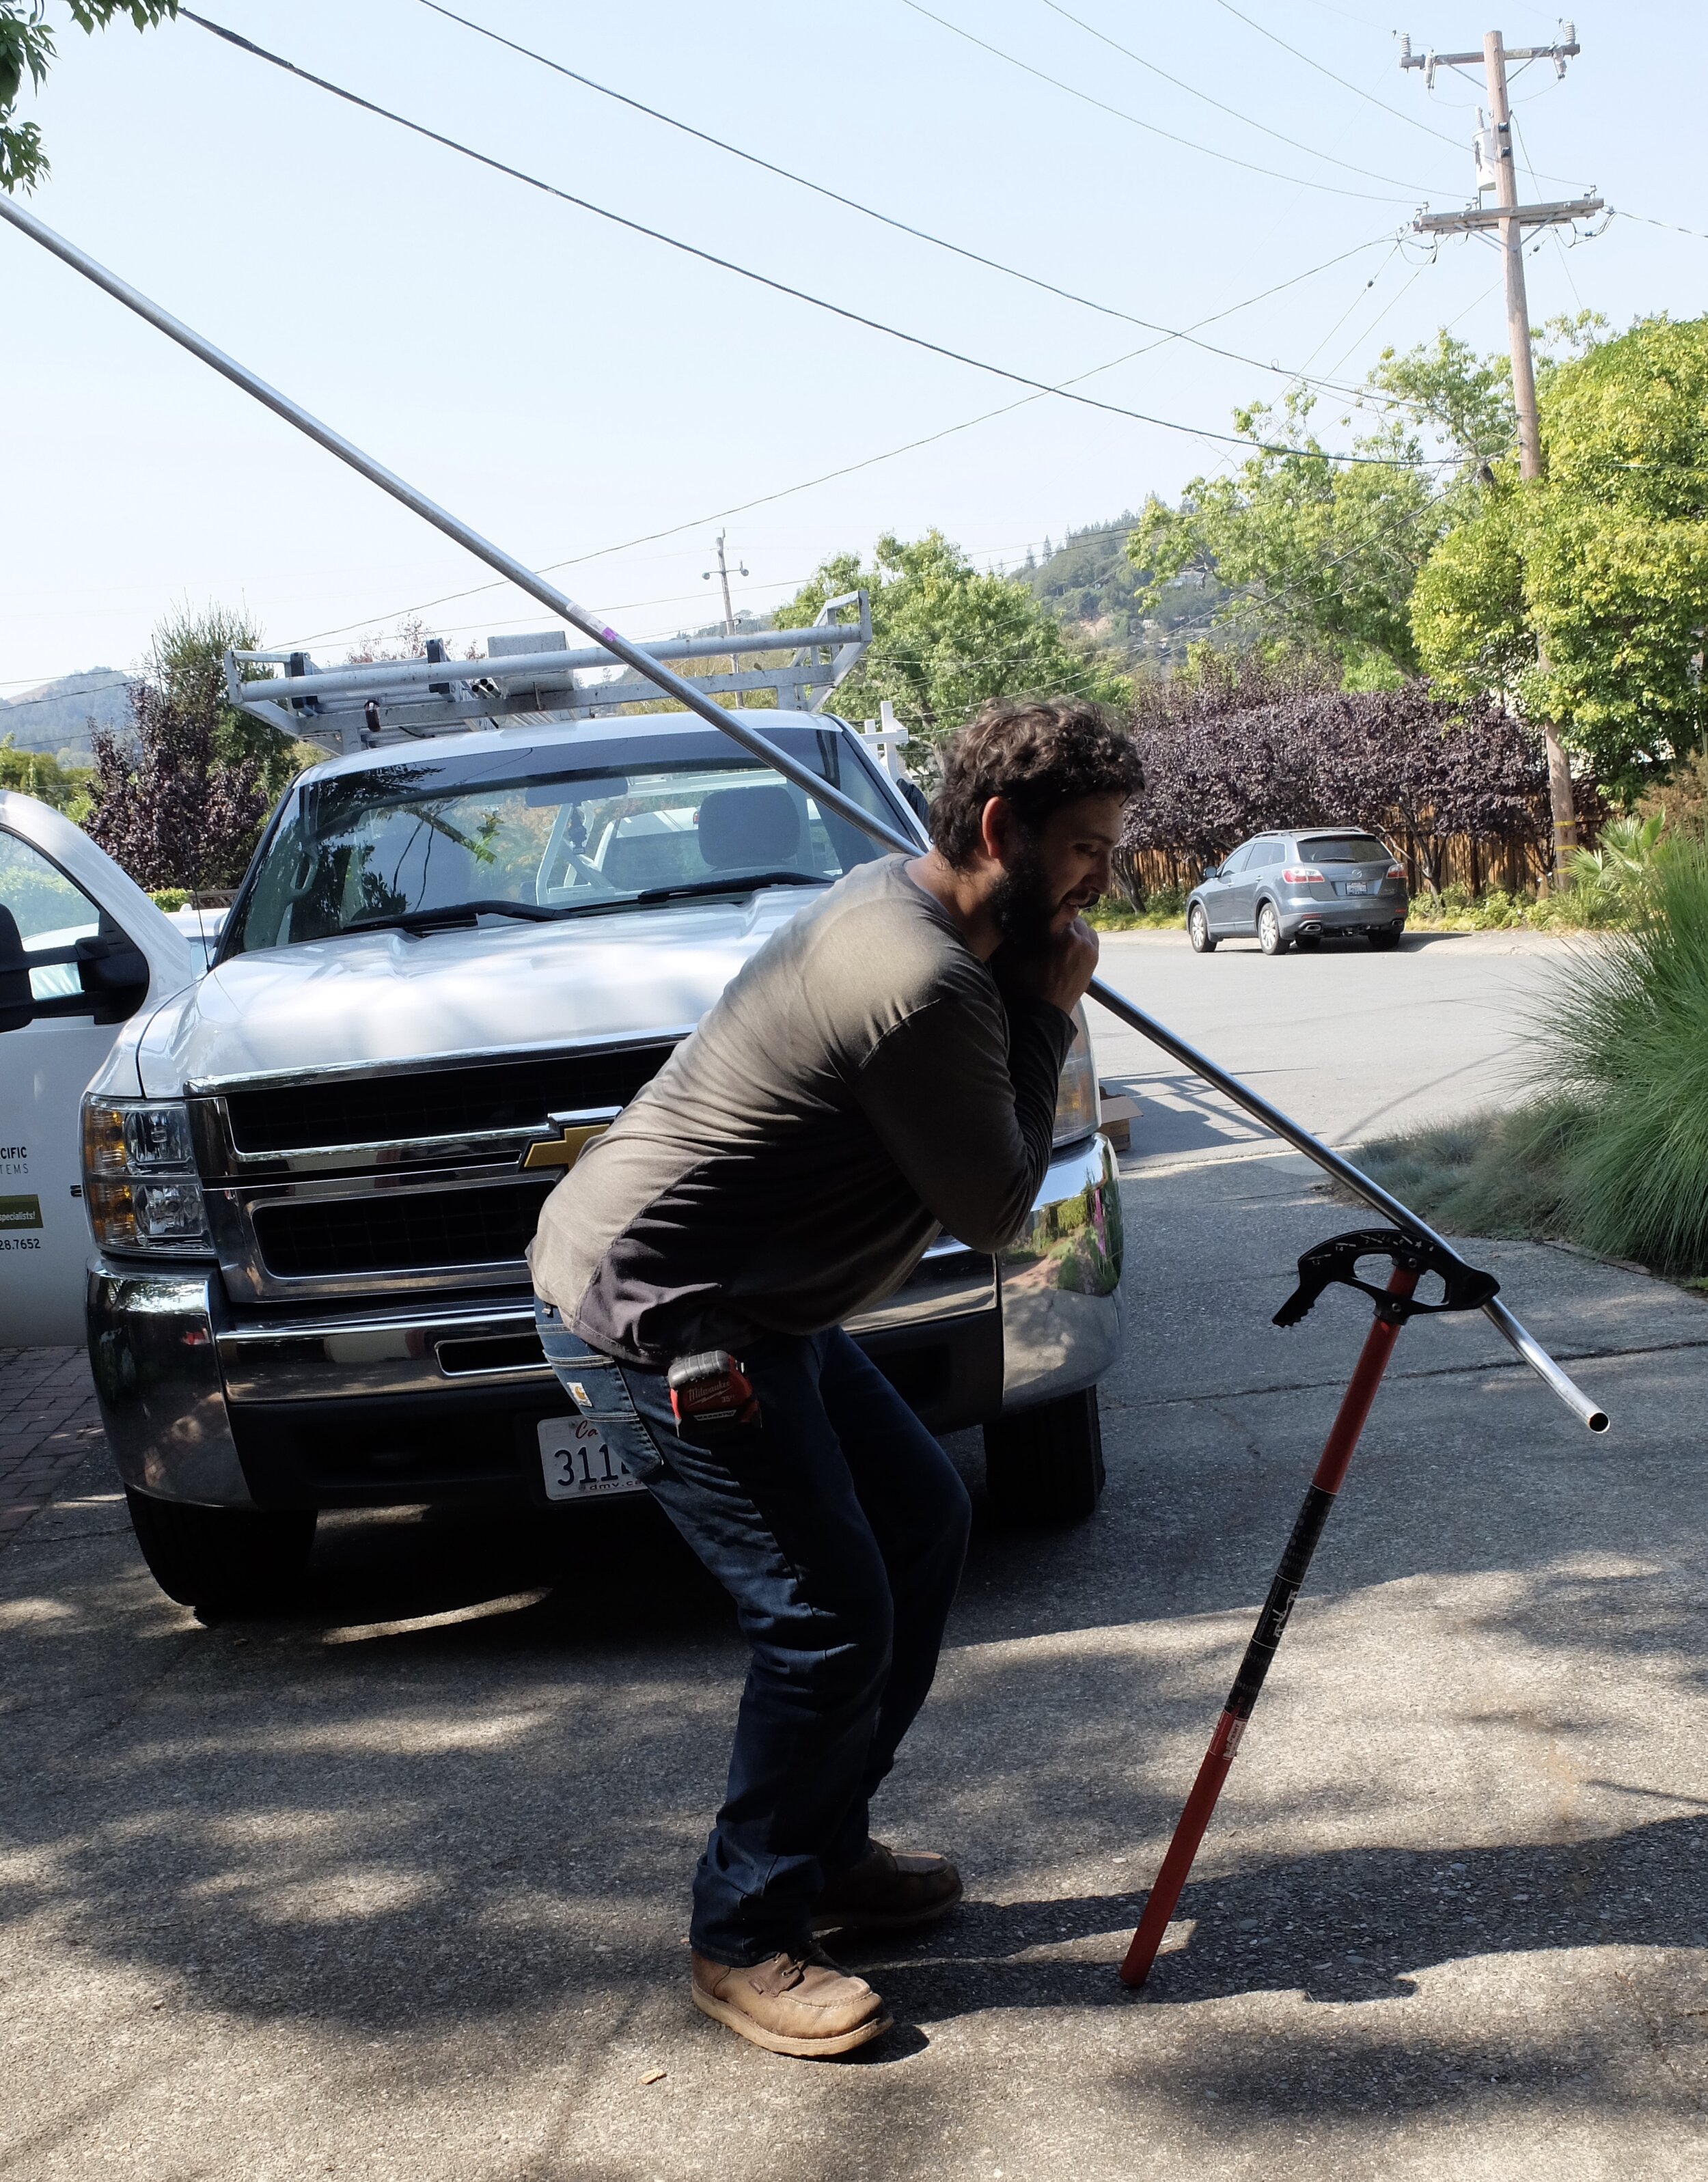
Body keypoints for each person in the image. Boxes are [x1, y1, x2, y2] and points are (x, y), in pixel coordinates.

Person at [529, 694, 1143, 2057]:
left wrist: (1027, 977)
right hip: (670, 1314)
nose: (1107, 873)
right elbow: (992, 1205)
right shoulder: (917, 976)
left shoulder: (918, 910)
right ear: (999, 831)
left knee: (921, 1521)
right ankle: (742, 1929)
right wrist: (1049, 1011)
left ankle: (820, 1845)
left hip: (762, 1305)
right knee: (825, 1620)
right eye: (1089, 846)